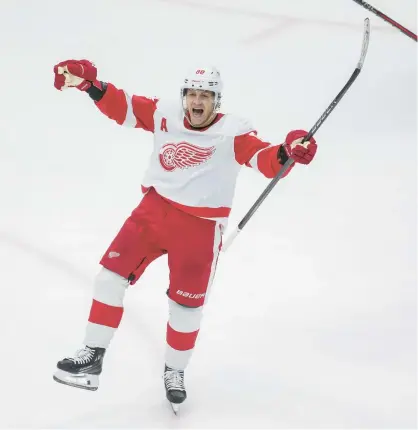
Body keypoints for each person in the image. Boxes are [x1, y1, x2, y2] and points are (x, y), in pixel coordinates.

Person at [52, 59, 318, 410]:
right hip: (153, 213)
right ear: (184, 96)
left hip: (199, 228)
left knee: (186, 309)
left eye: (205, 95)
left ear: (216, 101)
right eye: (191, 93)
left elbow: (265, 159)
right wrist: (88, 85)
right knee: (108, 279)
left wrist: (288, 153)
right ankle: (92, 355)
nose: (197, 101)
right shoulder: (166, 115)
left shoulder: (233, 133)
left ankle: (174, 371)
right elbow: (125, 107)